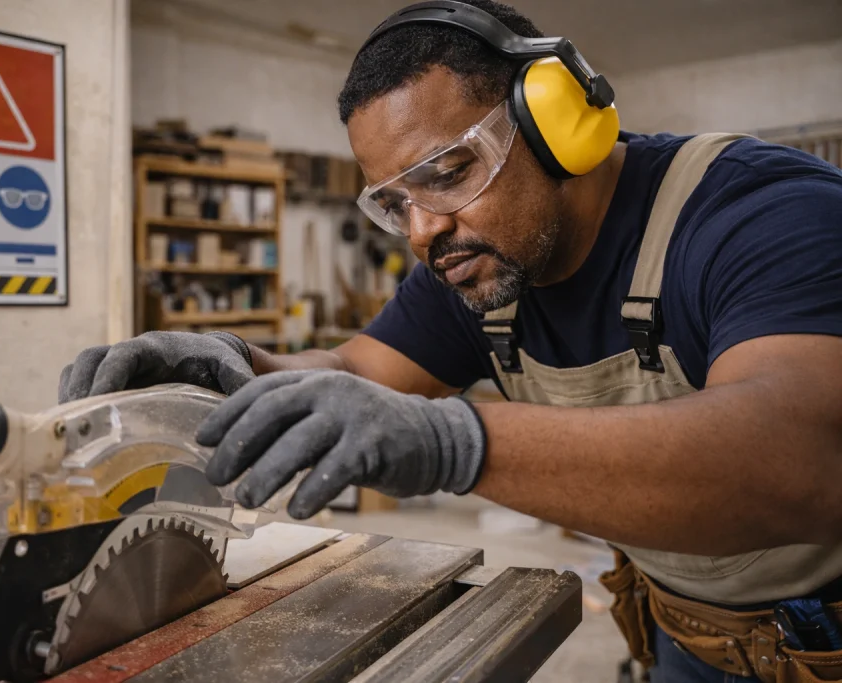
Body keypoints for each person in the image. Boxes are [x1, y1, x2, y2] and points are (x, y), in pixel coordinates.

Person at [58, 1, 842, 680]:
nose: (424, 230)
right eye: (394, 203)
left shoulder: (756, 213)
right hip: (686, 635)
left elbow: (800, 459)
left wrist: (452, 442)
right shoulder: (477, 265)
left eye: (448, 172)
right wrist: (235, 363)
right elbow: (353, 368)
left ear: (555, 121)